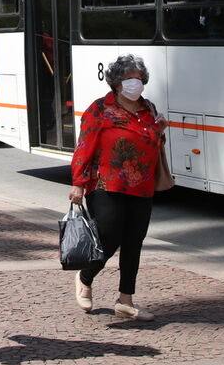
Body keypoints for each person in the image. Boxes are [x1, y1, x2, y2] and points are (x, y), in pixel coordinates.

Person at [69, 54, 165, 322]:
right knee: (108, 236)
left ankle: (125, 300)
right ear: (116, 83)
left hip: (142, 186)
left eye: (139, 78)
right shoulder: (99, 109)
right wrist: (78, 183)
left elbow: (153, 143)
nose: (135, 83)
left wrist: (160, 131)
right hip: (105, 184)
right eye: (128, 78)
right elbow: (84, 147)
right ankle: (85, 276)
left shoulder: (149, 109)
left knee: (134, 241)